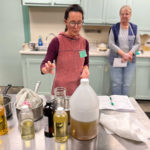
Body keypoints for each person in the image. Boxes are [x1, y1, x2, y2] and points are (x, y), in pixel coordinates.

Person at [40, 4, 89, 96]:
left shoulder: (84, 43)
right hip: (60, 91)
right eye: (72, 22)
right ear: (65, 22)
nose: (76, 27)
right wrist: (45, 69)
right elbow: (45, 63)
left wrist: (85, 70)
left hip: (79, 90)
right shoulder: (57, 41)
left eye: (79, 22)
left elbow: (85, 63)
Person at [108, 5, 141, 96]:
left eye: (127, 14)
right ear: (120, 15)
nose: (124, 16)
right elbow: (111, 43)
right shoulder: (114, 28)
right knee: (116, 84)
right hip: (116, 59)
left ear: (130, 15)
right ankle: (116, 104)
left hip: (130, 60)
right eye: (122, 14)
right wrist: (123, 54)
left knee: (126, 84)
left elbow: (138, 43)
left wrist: (129, 54)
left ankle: (124, 104)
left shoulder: (134, 28)